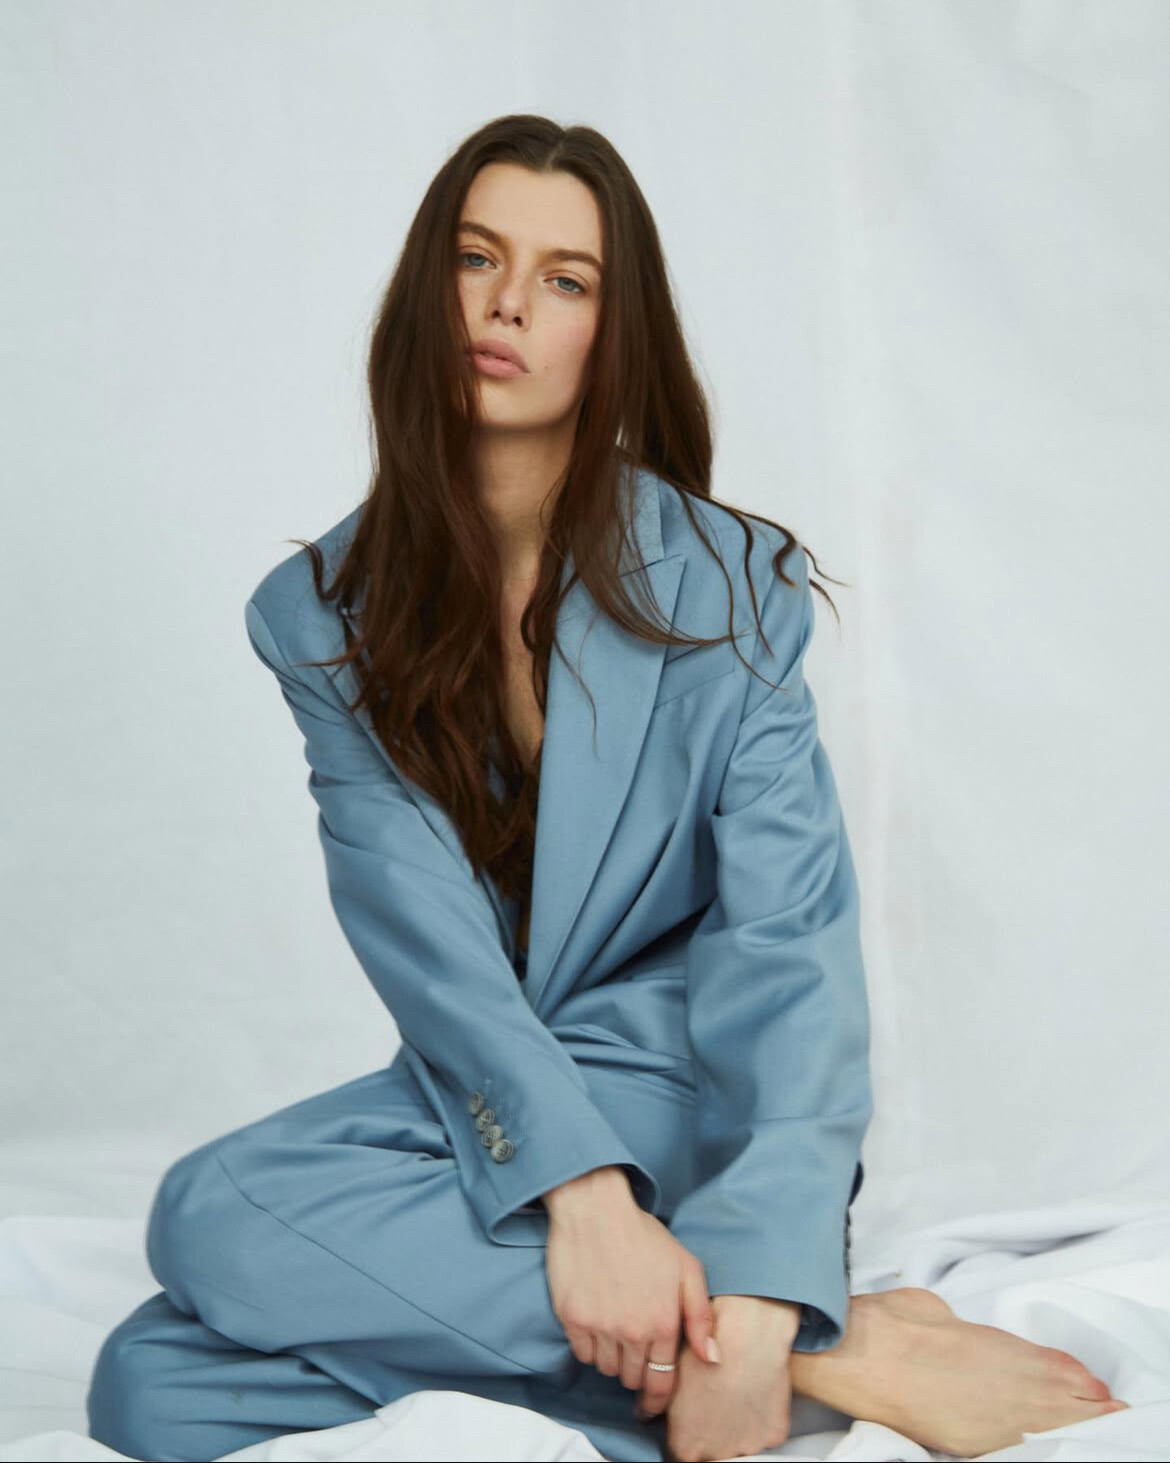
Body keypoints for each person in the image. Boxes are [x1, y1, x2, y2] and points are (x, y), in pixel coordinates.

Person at [86, 115, 1128, 1463]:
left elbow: (786, 948)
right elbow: (430, 944)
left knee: (215, 1217)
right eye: (476, 259)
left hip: (681, 1085)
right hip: (496, 1082)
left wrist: (758, 1272)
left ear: (612, 331)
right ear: (425, 289)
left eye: (564, 279)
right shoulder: (318, 615)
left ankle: (762, 1330)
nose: (508, 305)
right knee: (155, 1386)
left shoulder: (727, 582)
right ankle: (832, 1359)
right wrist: (579, 1202)